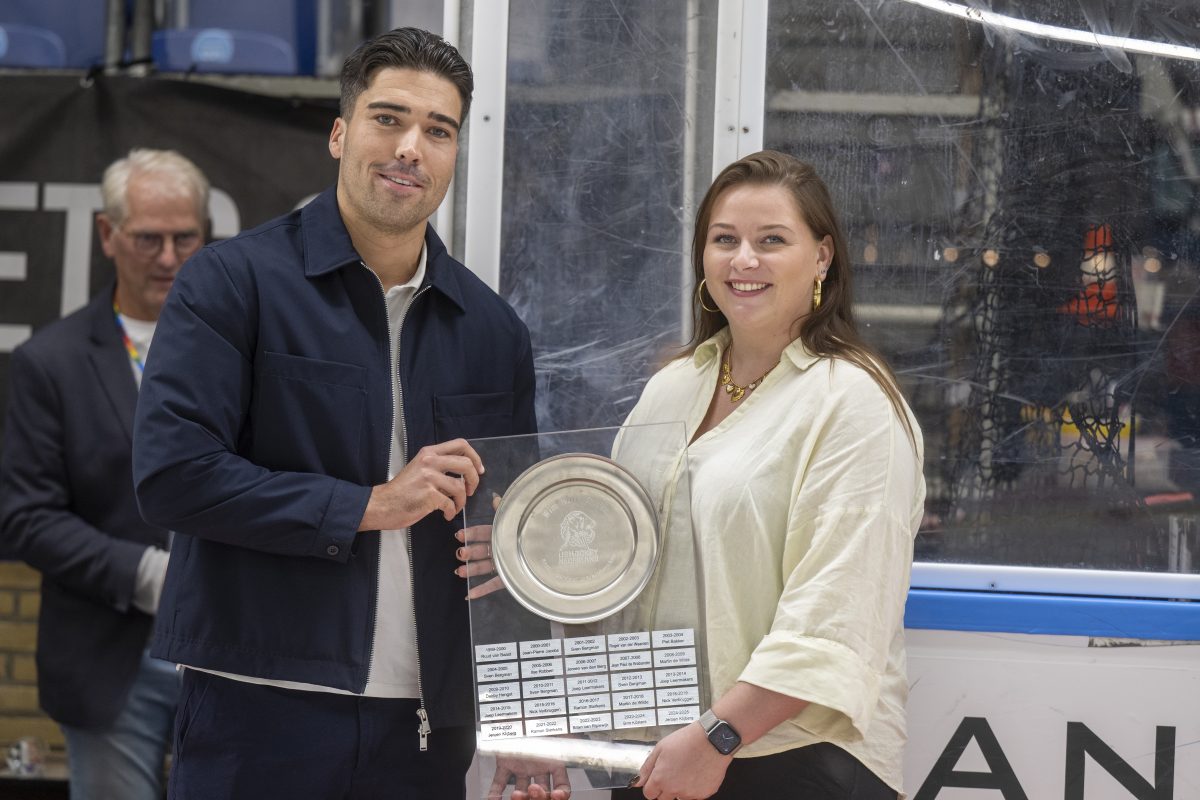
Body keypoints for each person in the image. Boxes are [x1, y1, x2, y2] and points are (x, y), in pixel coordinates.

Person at [131, 28, 536, 799]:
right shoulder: (232, 283)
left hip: (424, 728)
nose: (411, 147)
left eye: (437, 130)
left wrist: (525, 720)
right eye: (389, 119)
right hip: (258, 707)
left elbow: (507, 548)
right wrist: (372, 505)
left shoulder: (492, 330)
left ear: (454, 153)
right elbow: (174, 476)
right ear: (341, 132)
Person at [490, 151, 924, 800]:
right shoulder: (672, 389)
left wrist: (720, 735)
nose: (742, 260)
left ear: (823, 257)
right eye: (724, 240)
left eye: (771, 240)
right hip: (658, 757)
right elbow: (612, 577)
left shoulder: (852, 403)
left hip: (790, 761)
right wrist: (524, 552)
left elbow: (835, 619)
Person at [0, 148, 209, 799]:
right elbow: (25, 517)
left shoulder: (242, 352)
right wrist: (147, 573)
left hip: (233, 651)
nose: (169, 258)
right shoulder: (49, 362)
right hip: (115, 659)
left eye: (186, 238)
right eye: (149, 238)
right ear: (107, 234)